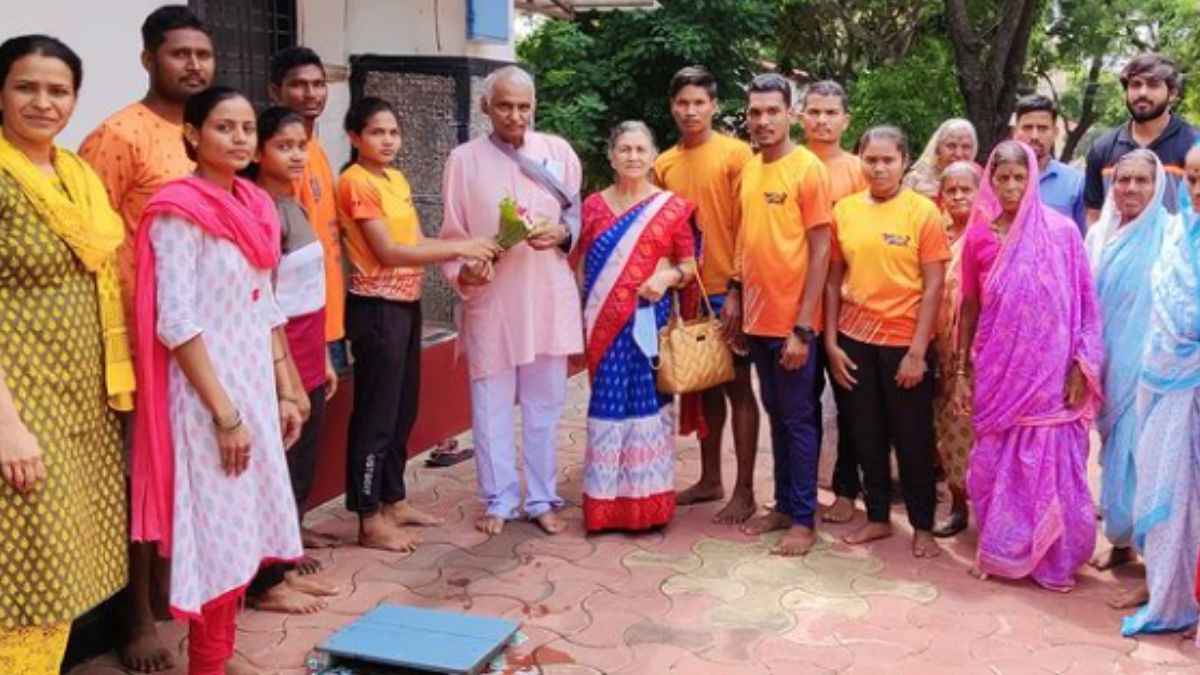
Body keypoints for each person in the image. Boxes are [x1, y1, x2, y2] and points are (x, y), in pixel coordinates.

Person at [130, 86, 305, 675]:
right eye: (224, 127)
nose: (239, 139)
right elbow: (175, 323)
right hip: (206, 398)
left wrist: (285, 385)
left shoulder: (255, 205)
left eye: (247, 129)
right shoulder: (179, 212)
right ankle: (207, 663)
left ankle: (220, 656)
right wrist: (224, 414)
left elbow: (265, 305)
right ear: (192, 135)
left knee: (242, 528)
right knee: (217, 535)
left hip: (252, 385)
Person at [77, 6, 213, 672]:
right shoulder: (119, 135)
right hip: (137, 340)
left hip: (201, 341)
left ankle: (174, 595)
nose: (193, 65)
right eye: (179, 53)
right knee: (141, 478)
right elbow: (89, 244)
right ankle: (132, 618)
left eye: (202, 54)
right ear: (148, 60)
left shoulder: (207, 135)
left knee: (191, 471)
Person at [0, 34, 134, 675]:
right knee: (33, 570)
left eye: (58, 90)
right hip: (21, 403)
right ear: (0, 91)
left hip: (84, 401)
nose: (43, 102)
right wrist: (7, 425)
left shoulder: (77, 175)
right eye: (26, 86)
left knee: (68, 569)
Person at [339, 97, 499, 551]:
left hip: (405, 304)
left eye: (393, 132)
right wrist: (460, 249)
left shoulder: (394, 178)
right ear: (354, 137)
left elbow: (415, 241)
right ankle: (369, 517)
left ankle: (394, 499)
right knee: (376, 415)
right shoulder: (356, 183)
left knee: (403, 407)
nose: (387, 141)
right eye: (376, 132)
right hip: (376, 308)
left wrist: (465, 245)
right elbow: (389, 252)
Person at [953, 140, 1103, 592]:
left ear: (1033, 179)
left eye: (1021, 177)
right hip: (999, 373)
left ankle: (1053, 557)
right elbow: (970, 308)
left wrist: (1081, 365)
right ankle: (1001, 548)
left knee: (1050, 464)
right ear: (991, 182)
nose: (1013, 185)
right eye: (1004, 178)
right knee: (993, 463)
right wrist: (961, 371)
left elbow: (1085, 306)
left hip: (1051, 377)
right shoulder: (979, 236)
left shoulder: (1061, 233)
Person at [439, 65, 583, 536]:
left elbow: (576, 215)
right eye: (504, 105)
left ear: (534, 106)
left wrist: (563, 233)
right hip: (494, 300)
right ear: (486, 106)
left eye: (523, 106)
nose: (515, 115)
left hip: (546, 298)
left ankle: (542, 497)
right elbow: (453, 234)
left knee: (546, 404)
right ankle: (499, 498)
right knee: (490, 404)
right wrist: (468, 270)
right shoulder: (463, 160)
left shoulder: (558, 152)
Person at [825, 126, 948, 558]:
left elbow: (934, 287)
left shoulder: (923, 213)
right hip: (853, 340)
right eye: (870, 159)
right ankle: (877, 517)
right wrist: (830, 341)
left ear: (904, 162)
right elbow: (833, 279)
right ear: (860, 159)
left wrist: (917, 352)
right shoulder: (844, 210)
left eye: (887, 160)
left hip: (904, 344)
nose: (878, 167)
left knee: (913, 438)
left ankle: (922, 526)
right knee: (865, 434)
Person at [574, 121, 697, 533]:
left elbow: (689, 266)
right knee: (607, 403)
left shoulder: (671, 208)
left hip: (648, 321)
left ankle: (647, 506)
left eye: (640, 149)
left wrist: (665, 279)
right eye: (624, 149)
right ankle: (606, 505)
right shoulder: (592, 206)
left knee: (645, 403)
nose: (632, 157)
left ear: (653, 155)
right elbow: (579, 263)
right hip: (603, 324)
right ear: (611, 155)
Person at [728, 73, 831, 556]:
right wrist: (734, 294)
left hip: (794, 326)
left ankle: (804, 520)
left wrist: (804, 328)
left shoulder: (807, 169)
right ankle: (784, 505)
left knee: (798, 418)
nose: (763, 120)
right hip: (756, 320)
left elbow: (821, 250)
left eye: (772, 111)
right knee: (776, 415)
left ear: (790, 114)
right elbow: (745, 241)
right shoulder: (750, 168)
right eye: (755, 112)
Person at [652, 66, 760, 524]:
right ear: (672, 107)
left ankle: (746, 490)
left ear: (714, 106)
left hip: (729, 291)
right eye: (683, 103)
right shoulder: (664, 165)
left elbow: (751, 226)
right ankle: (710, 478)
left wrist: (736, 287)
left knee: (738, 389)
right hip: (686, 294)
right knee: (705, 387)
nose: (691, 111)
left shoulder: (738, 156)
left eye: (700, 102)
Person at [243, 106, 340, 613]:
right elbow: (263, 297)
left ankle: (284, 563)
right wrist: (283, 376)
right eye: (284, 146)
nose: (297, 154)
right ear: (259, 152)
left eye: (301, 144)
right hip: (272, 355)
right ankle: (265, 583)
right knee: (276, 465)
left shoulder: (292, 204)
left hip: (306, 346)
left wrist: (321, 353)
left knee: (300, 463)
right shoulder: (257, 207)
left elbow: (307, 291)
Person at [1120, 141, 1200, 636]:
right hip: (1164, 385)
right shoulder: (1178, 234)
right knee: (1171, 492)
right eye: (1192, 178)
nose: (1198, 189)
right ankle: (1171, 593)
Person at [1085, 150, 1170, 597]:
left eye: (1141, 181)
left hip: (1152, 372)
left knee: (1144, 462)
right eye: (1123, 180)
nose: (1131, 189)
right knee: (1112, 454)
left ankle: (1153, 559)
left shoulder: (1171, 237)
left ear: (1158, 188)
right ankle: (1120, 544)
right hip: (1104, 365)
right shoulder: (1098, 235)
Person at [799, 79, 867, 525]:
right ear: (801, 116)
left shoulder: (862, 170)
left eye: (830, 113)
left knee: (849, 404)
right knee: (799, 406)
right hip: (797, 305)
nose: (822, 120)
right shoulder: (786, 163)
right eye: (814, 111)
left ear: (846, 120)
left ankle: (846, 490)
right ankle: (798, 492)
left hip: (848, 308)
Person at [267, 46, 348, 382]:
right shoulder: (280, 161)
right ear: (275, 91)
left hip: (329, 313)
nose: (311, 93)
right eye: (299, 85)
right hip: (299, 323)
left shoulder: (315, 148)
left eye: (319, 84)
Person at [1084, 53, 1198, 224]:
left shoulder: (1194, 146)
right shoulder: (1103, 148)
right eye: (1136, 85)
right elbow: (1094, 214)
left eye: (1153, 85)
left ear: (1172, 94)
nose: (1142, 92)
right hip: (1117, 250)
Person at [930, 161, 982, 538]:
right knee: (945, 431)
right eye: (952, 190)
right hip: (937, 350)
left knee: (973, 430)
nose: (959, 196)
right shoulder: (937, 234)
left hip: (980, 353)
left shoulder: (990, 236)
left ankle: (986, 510)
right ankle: (957, 504)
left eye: (968, 189)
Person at [1012, 94, 1086, 233]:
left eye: (1042, 128)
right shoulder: (1000, 180)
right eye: (1027, 128)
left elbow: (1082, 241)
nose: (1034, 136)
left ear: (1055, 133)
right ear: (1016, 132)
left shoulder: (1075, 183)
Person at [904, 118, 978, 199]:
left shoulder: (980, 181)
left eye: (966, 147)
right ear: (937, 148)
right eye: (951, 146)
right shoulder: (915, 180)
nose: (958, 153)